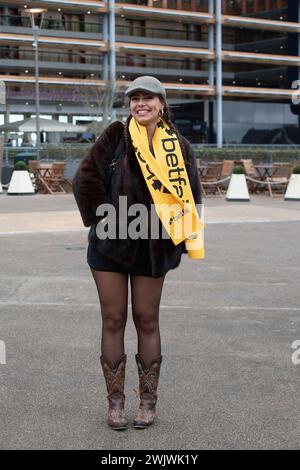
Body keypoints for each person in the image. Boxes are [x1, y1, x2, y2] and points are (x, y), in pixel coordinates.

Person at [72, 76, 204, 431]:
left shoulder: (179, 147)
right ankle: (115, 403)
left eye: (148, 98)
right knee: (112, 319)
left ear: (162, 105)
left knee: (147, 319)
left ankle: (148, 401)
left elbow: (192, 195)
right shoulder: (115, 136)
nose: (140, 103)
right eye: (135, 98)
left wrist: (184, 238)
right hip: (110, 244)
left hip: (152, 247)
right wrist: (105, 222)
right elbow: (84, 180)